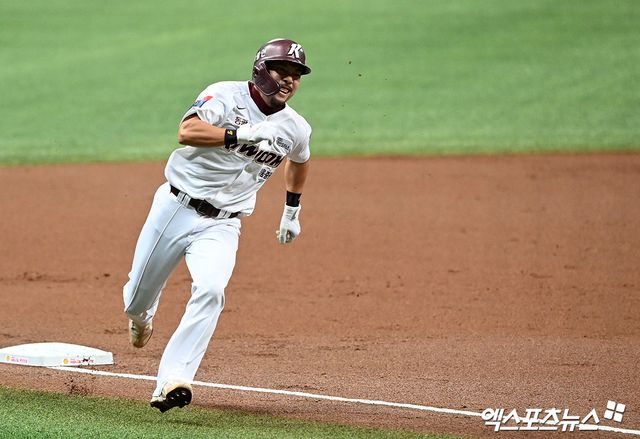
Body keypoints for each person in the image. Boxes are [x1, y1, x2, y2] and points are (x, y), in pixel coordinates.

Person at [122, 38, 312, 412]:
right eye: (281, 70)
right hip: (176, 208)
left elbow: (300, 160)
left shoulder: (296, 127)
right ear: (261, 70)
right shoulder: (224, 96)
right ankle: (141, 317)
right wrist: (237, 135)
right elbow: (187, 131)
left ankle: (172, 380)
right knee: (135, 300)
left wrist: (292, 210)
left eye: (296, 74)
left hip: (224, 224)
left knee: (211, 289)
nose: (289, 80)